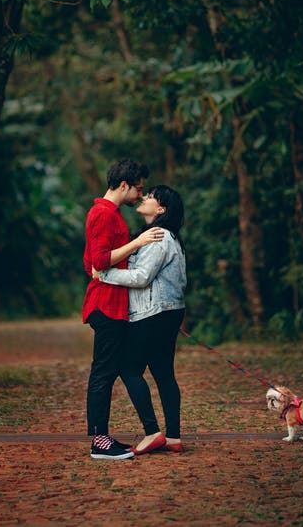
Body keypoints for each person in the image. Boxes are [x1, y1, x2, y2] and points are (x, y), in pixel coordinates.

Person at [94, 185, 186, 455]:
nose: (144, 197)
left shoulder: (159, 236)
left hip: (153, 313)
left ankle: (153, 432)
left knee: (128, 368)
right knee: (163, 372)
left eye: (150, 196)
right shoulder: (164, 236)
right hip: (167, 312)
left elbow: (141, 277)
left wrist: (103, 274)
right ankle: (173, 437)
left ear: (161, 209)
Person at [83, 159, 164, 460]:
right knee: (103, 372)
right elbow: (99, 261)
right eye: (138, 189)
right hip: (105, 305)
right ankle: (99, 441)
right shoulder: (103, 214)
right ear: (124, 185)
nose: (140, 195)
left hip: (114, 305)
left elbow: (91, 263)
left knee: (111, 370)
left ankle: (104, 437)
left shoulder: (110, 213)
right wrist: (138, 242)